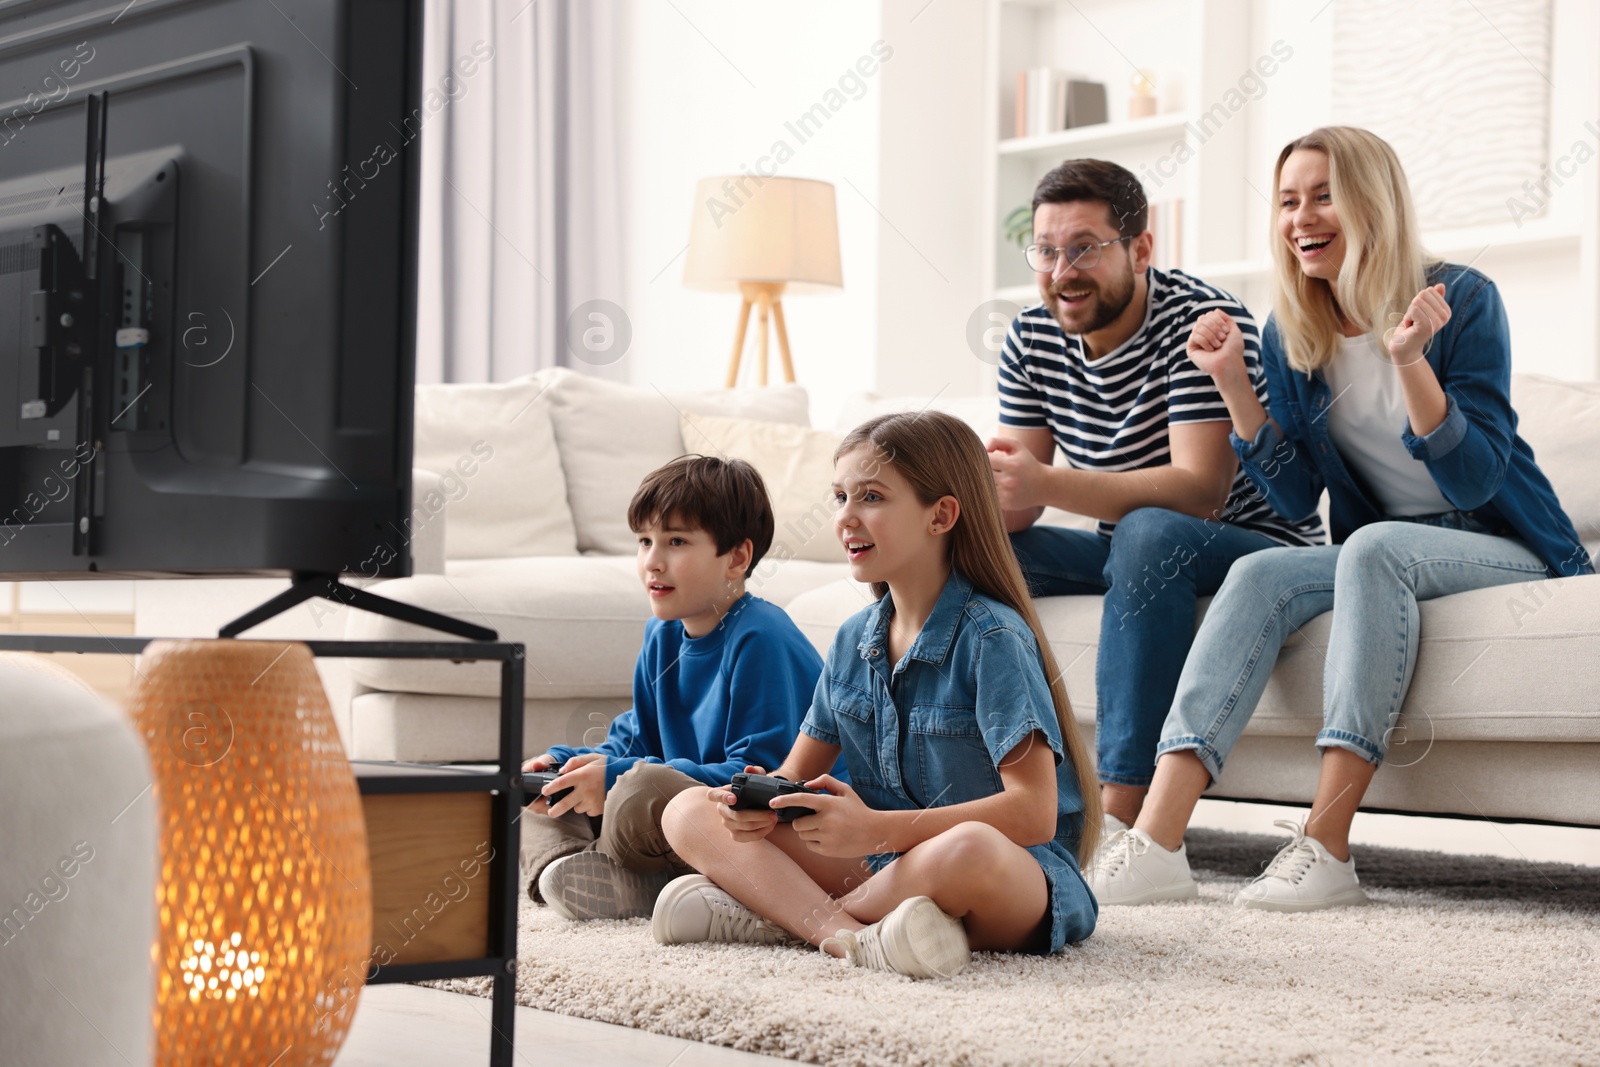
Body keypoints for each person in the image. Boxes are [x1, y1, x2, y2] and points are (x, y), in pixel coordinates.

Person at [1088, 126, 1595, 911]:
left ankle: (1325, 845)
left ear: (1372, 202)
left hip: (1509, 543)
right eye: (1289, 200)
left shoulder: (1461, 300)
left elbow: (1475, 474)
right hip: (1386, 550)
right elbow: (1295, 501)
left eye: (1323, 195)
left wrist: (1409, 360)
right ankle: (1156, 839)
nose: (1302, 217)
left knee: (1375, 549)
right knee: (1262, 569)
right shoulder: (1295, 334)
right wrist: (1232, 383)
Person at [652, 412, 1101, 979]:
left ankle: (786, 920)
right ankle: (849, 936)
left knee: (967, 847)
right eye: (840, 496)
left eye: (871, 496)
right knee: (689, 809)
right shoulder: (851, 641)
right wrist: (755, 809)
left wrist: (877, 829)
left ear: (941, 515)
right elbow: (791, 779)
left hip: (1002, 880)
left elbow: (1034, 814)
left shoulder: (993, 637)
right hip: (880, 868)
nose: (845, 517)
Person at [988, 158, 1324, 840]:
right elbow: (1017, 509)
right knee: (946, 554)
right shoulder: (1030, 337)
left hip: (1248, 547)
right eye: (1046, 251)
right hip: (1134, 547)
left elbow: (1200, 491)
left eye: (1084, 247)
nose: (1061, 271)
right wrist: (962, 500)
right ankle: (958, 785)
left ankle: (1120, 814)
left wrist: (1048, 483)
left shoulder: (1201, 322)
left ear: (1141, 247)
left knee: (1148, 531)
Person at [520, 454, 825, 921]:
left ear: (737, 558)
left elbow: (762, 781)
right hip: (663, 814)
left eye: (676, 541)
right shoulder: (661, 634)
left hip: (742, 824)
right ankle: (570, 870)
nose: (652, 562)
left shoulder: (762, 636)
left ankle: (637, 881)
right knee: (538, 796)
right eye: (644, 541)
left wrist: (617, 776)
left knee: (637, 788)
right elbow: (638, 737)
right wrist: (563, 765)